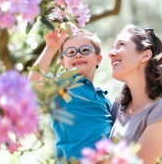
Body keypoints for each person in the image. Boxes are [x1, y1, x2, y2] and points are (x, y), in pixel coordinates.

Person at [28, 28, 113, 161]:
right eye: (71, 52)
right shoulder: (62, 84)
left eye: (85, 50)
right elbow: (33, 85)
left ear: (98, 59)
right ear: (63, 63)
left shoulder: (104, 96)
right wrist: (51, 47)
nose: (78, 55)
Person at [108, 24, 162, 164]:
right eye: (113, 47)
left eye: (121, 45)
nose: (111, 53)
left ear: (145, 55)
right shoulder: (119, 105)